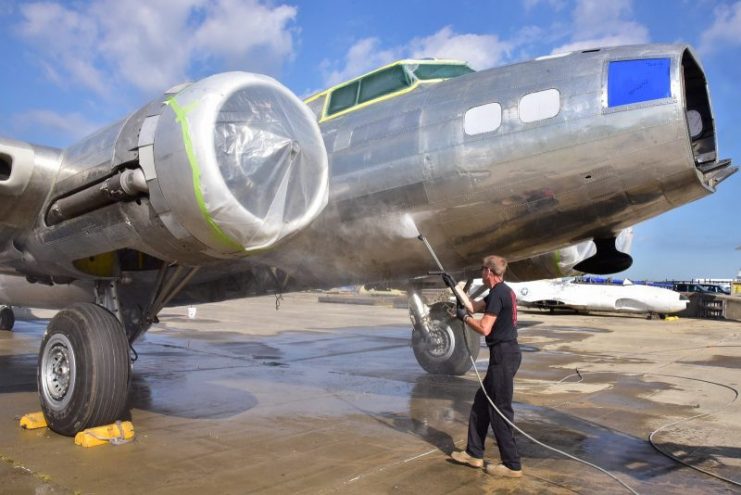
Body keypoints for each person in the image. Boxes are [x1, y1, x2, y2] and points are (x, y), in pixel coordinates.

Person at [446, 255, 523, 478]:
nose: (481, 273)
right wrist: (455, 288)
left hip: (504, 356)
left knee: (499, 410)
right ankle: (474, 454)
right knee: (481, 403)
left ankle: (512, 465)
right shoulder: (501, 291)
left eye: (482, 270)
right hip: (505, 354)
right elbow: (472, 306)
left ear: (488, 272)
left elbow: (484, 328)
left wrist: (464, 319)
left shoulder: (499, 294)